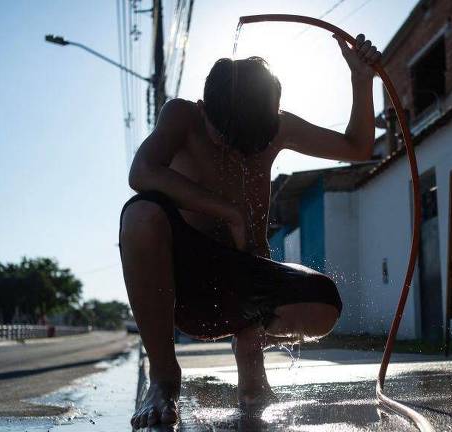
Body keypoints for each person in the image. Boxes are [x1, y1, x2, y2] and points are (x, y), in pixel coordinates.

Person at [119, 33, 381, 429]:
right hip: (182, 288)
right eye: (227, 142)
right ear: (205, 111)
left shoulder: (276, 128)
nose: (238, 155)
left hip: (244, 288)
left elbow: (357, 147)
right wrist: (230, 212)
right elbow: (142, 172)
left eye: (251, 146)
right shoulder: (183, 117)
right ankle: (164, 378)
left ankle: (251, 352)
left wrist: (362, 81)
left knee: (325, 302)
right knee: (140, 216)